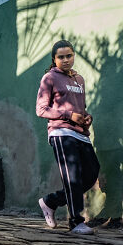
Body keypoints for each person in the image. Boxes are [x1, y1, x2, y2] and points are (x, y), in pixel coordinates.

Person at [35, 40, 100, 234]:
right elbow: (41, 109)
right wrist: (68, 115)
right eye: (61, 57)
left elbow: (79, 107)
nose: (65, 60)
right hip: (61, 132)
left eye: (69, 55)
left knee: (91, 173)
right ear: (54, 60)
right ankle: (76, 222)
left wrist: (86, 117)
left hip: (80, 134)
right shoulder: (49, 78)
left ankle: (50, 201)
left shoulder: (79, 79)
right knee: (72, 178)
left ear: (73, 56)